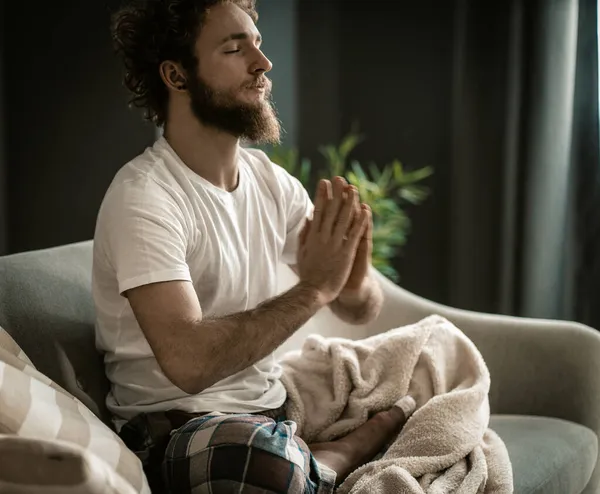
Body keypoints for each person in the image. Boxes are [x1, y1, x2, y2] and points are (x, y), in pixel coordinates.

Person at [93, 0, 411, 491]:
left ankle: (307, 457)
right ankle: (335, 456)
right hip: (183, 428)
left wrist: (352, 271)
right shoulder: (144, 197)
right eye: (234, 49)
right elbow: (189, 363)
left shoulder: (271, 182)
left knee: (432, 350)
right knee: (262, 465)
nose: (262, 64)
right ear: (177, 76)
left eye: (257, 45)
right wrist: (316, 287)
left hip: (273, 405)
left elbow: (359, 308)